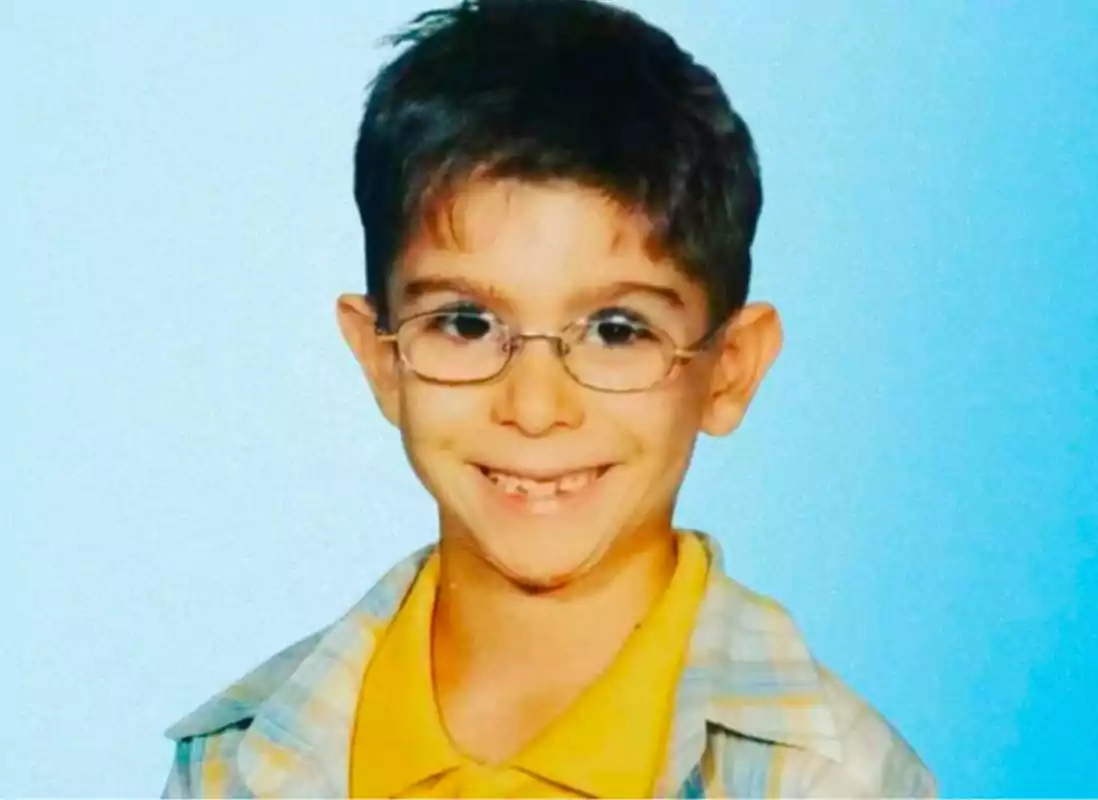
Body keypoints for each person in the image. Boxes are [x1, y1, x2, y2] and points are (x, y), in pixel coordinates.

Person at [161, 0, 938, 796]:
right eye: (467, 323)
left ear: (730, 368)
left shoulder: (836, 780)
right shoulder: (240, 760)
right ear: (381, 358)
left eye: (616, 329)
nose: (535, 408)